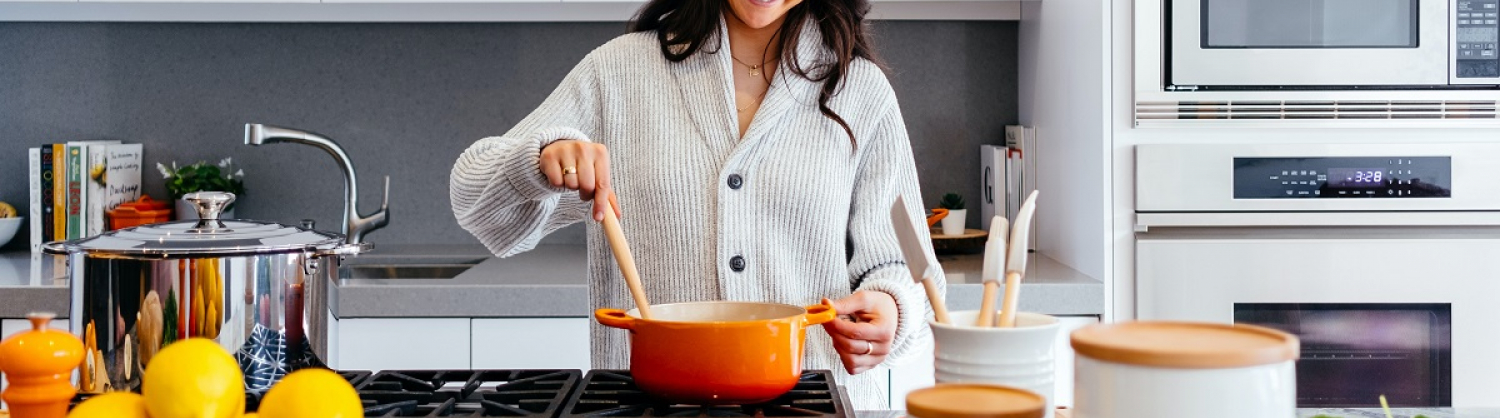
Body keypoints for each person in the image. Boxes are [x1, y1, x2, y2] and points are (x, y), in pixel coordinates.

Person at [448, 0, 943, 408]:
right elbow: (473, 201)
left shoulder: (861, 91)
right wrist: (539, 161)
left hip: (821, 402)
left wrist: (891, 308)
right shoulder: (618, 73)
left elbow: (908, 268)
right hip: (647, 403)